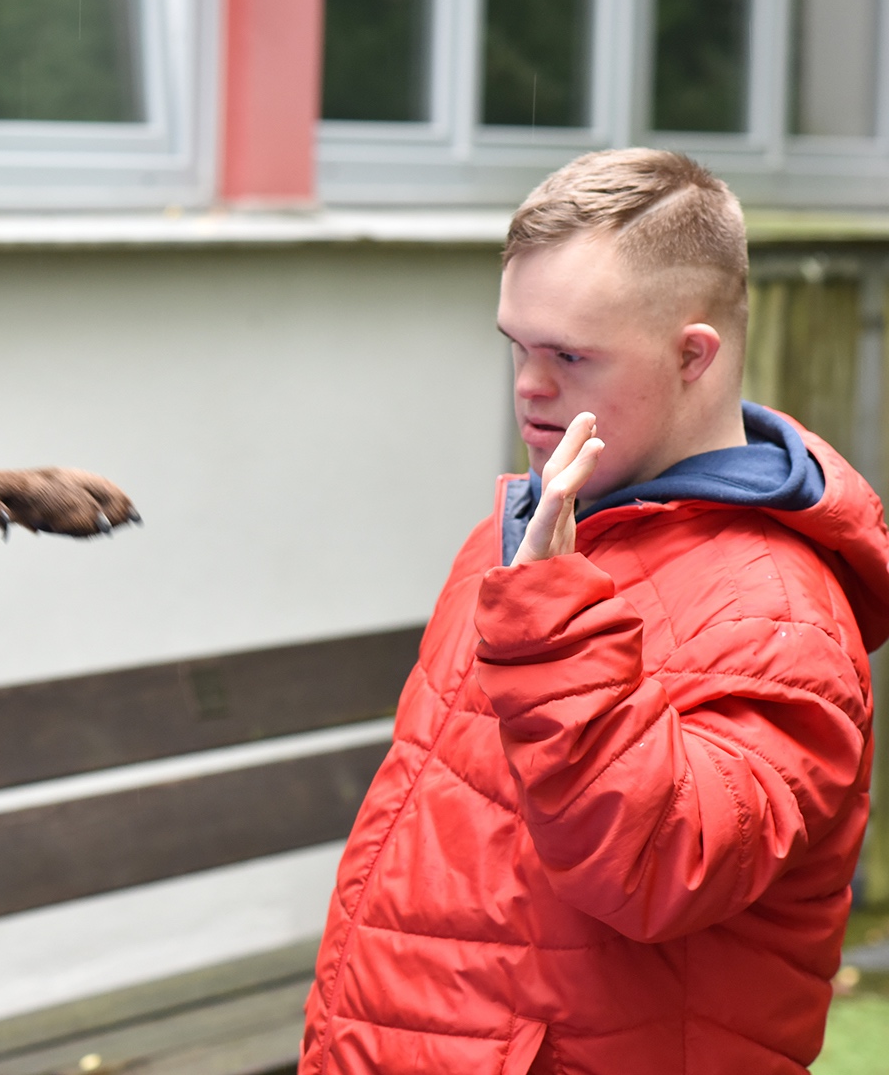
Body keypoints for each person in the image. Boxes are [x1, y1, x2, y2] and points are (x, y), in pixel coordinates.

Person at [299, 149, 889, 1074]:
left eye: (569, 355)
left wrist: (553, 626)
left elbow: (661, 864)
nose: (529, 386)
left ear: (694, 353)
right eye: (516, 346)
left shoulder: (779, 615)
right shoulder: (543, 534)